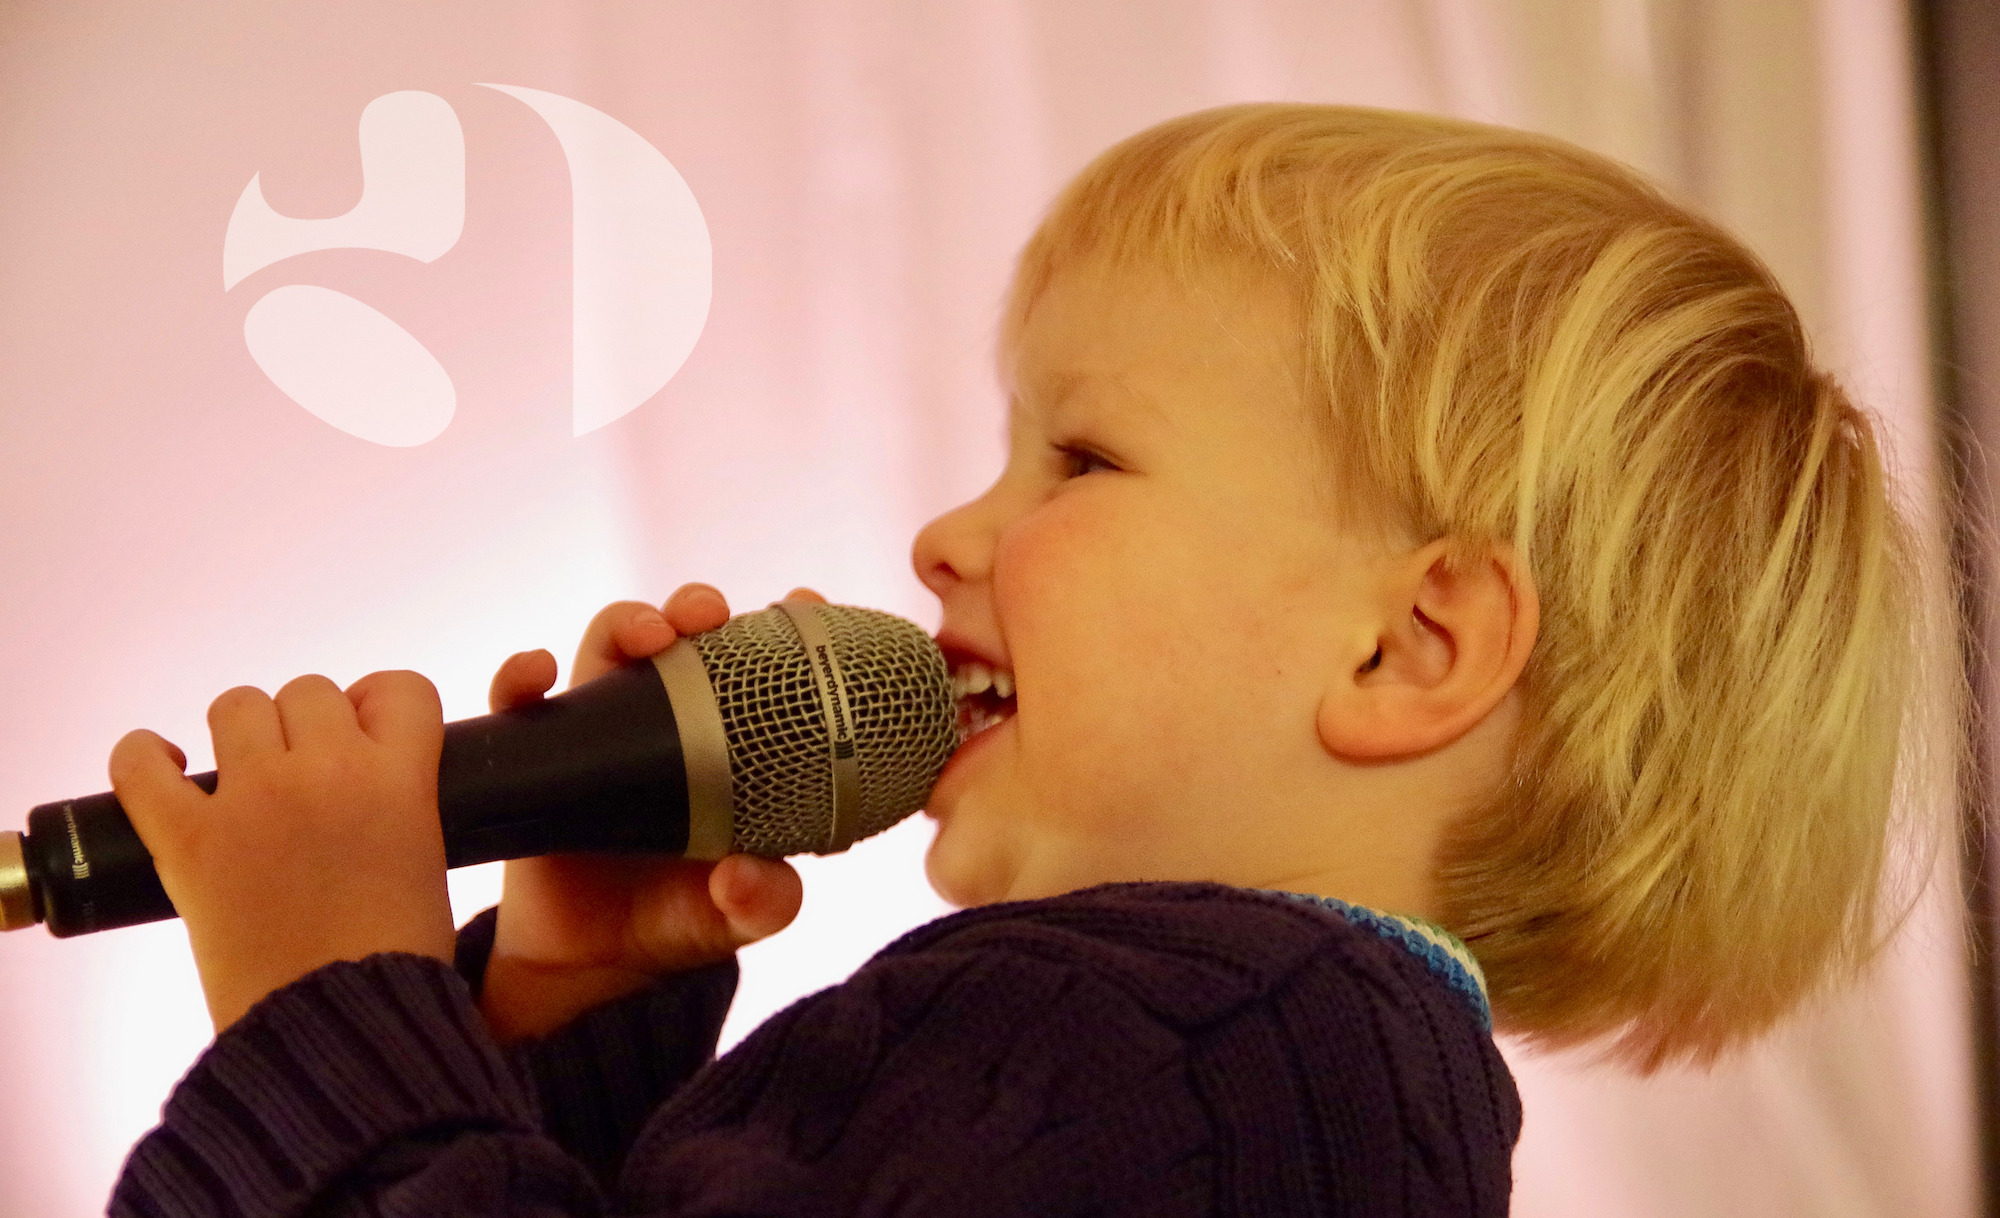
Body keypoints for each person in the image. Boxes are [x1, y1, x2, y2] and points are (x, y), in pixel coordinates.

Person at [104, 103, 1946, 1217]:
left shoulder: (1167, 1049)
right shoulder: (1262, 1069)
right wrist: (556, 1021)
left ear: (1407, 644)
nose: (945, 539)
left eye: (1078, 458)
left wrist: (328, 1004)